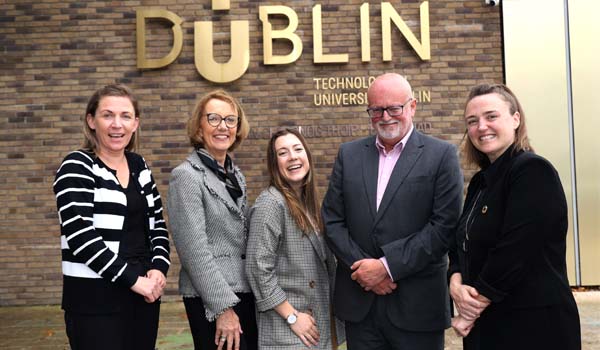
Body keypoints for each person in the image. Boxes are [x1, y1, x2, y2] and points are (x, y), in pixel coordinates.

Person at [321, 73, 463, 350]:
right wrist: (365, 271)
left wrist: (386, 267)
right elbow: (332, 220)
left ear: (412, 106)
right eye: (376, 110)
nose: (385, 116)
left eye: (393, 108)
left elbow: (444, 227)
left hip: (417, 308)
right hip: (361, 308)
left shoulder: (442, 155)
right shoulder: (348, 154)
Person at [448, 83, 581, 349]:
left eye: (491, 116)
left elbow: (516, 249)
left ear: (516, 119)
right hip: (489, 326)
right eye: (472, 121)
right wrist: (455, 282)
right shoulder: (480, 183)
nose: (481, 126)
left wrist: (471, 309)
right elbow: (460, 242)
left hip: (533, 325)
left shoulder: (533, 171)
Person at [53, 84, 171, 350]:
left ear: (135, 123)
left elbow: (158, 226)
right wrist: (133, 280)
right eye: (108, 115)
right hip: (95, 302)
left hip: (144, 296)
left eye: (125, 116)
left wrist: (158, 268)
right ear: (91, 120)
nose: (117, 124)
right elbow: (81, 237)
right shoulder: (77, 165)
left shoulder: (140, 166)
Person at [168, 90, 258, 350]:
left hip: (244, 290)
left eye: (231, 120)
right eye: (214, 118)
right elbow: (193, 251)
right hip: (213, 298)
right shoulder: (186, 176)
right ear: (199, 125)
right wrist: (223, 308)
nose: (223, 127)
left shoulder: (234, 175)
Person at [246, 128, 344, 350]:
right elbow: (257, 269)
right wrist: (292, 317)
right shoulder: (270, 204)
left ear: (307, 156)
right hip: (289, 329)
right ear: (274, 164)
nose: (292, 157)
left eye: (298, 149)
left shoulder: (309, 205)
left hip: (315, 325)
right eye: (283, 153)